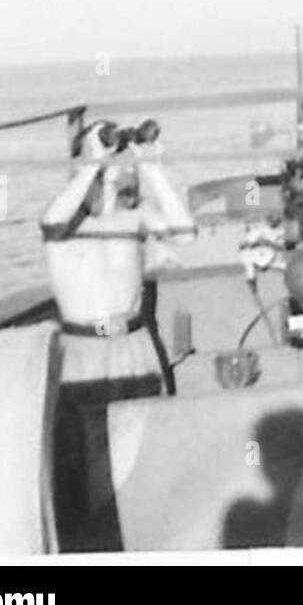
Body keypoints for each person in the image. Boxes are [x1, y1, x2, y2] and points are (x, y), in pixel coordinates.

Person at [42, 118, 196, 399]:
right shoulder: (65, 221)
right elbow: (51, 224)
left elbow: (185, 234)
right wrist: (93, 162)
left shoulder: (134, 217)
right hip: (83, 348)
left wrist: (153, 170)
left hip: (135, 345)